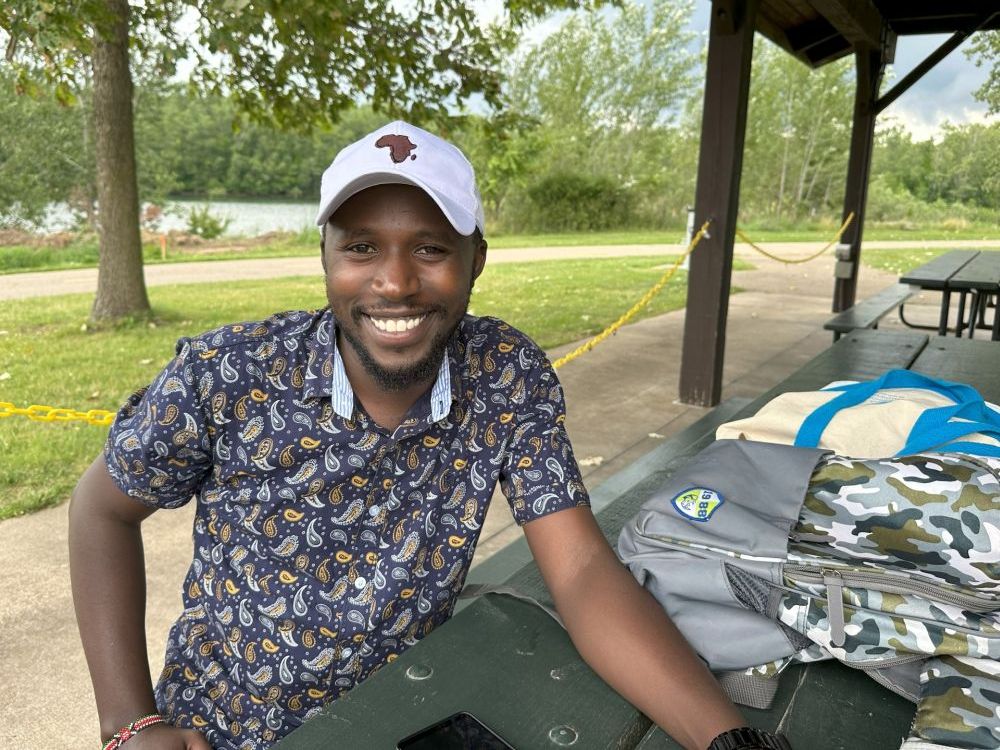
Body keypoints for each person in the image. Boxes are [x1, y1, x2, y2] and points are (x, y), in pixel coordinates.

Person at [70, 121, 787, 750]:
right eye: (360, 247)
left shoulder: (506, 375)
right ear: (325, 256)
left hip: (402, 712)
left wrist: (726, 739)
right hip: (222, 729)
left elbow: (580, 572)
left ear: (476, 258)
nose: (394, 282)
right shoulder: (229, 374)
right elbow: (101, 508)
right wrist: (130, 722)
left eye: (431, 249)